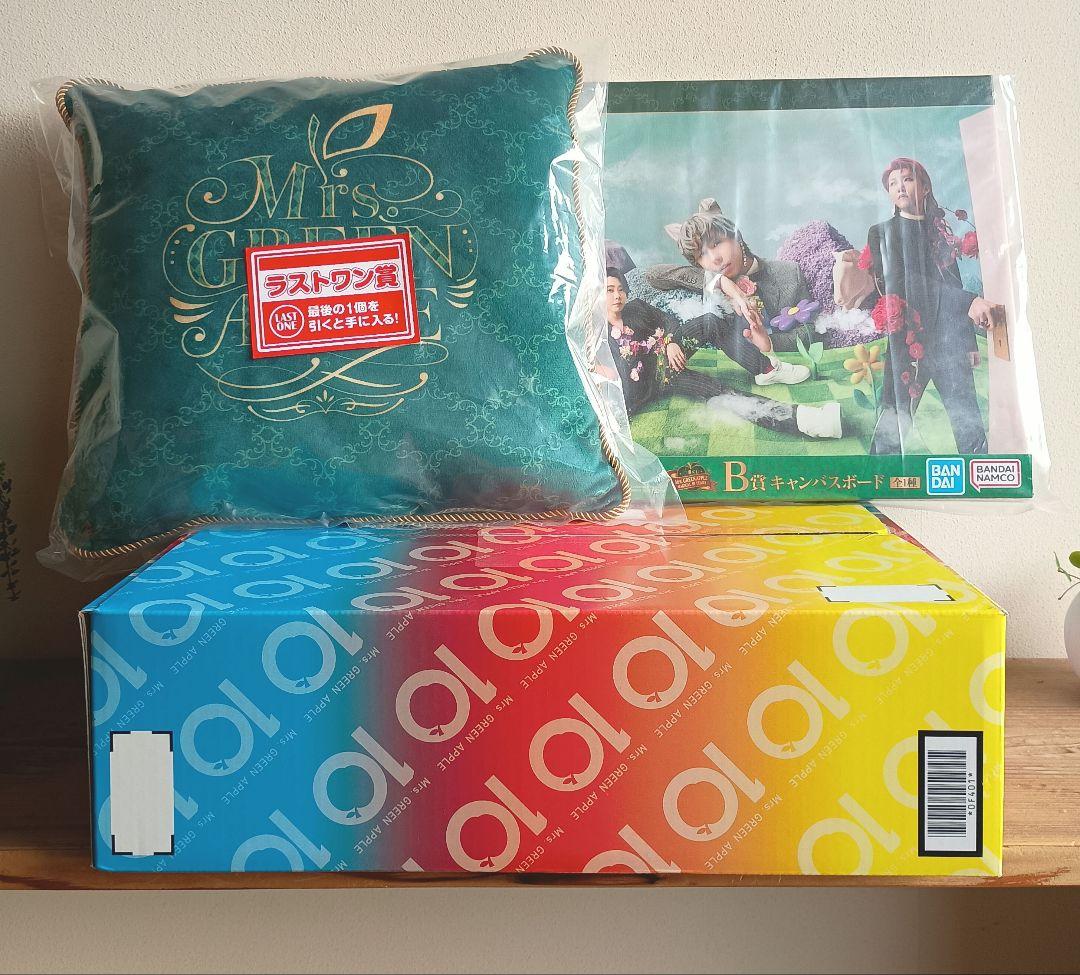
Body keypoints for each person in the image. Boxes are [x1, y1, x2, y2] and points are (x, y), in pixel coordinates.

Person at [603, 269, 841, 440]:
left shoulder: (636, 308)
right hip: (657, 380)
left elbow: (668, 321)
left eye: (620, 290)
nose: (617, 296)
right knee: (721, 392)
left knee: (710, 322)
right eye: (610, 290)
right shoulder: (596, 333)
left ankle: (766, 369)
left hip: (669, 354)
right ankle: (807, 421)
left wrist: (670, 342)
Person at [865, 157, 998, 455]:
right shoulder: (881, 232)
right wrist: (969, 301)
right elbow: (902, 284)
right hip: (907, 344)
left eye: (907, 179)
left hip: (949, 343)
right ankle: (879, 478)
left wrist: (967, 341)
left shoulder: (940, 233)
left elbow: (954, 283)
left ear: (925, 187)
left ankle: (976, 476)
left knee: (968, 423)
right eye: (893, 183)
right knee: (893, 425)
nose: (900, 187)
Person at [646, 199, 813, 385]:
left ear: (736, 236)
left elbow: (812, 331)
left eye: (717, 243)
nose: (715, 258)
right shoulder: (708, 281)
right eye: (702, 254)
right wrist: (720, 281)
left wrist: (768, 342)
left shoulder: (788, 273)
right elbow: (653, 274)